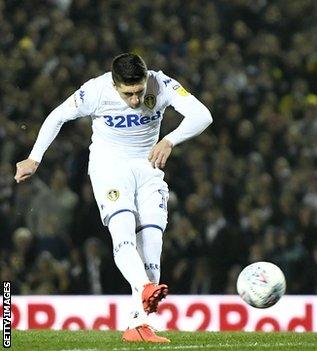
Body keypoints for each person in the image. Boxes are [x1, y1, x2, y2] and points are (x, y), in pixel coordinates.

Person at [14, 53, 213, 343]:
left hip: (148, 169)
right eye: (128, 93)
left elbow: (203, 115)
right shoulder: (96, 90)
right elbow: (58, 115)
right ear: (115, 84)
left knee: (153, 243)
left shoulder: (161, 84)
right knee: (123, 232)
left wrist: (170, 140)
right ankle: (144, 289)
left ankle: (138, 324)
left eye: (139, 92)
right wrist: (34, 158)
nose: (135, 100)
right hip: (110, 168)